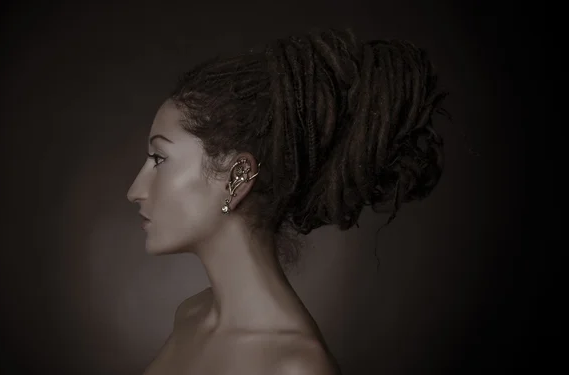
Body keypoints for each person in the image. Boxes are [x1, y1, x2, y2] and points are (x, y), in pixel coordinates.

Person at [127, 27, 447, 375]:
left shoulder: (295, 367)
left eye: (159, 159)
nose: (134, 190)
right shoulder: (190, 315)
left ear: (237, 178)